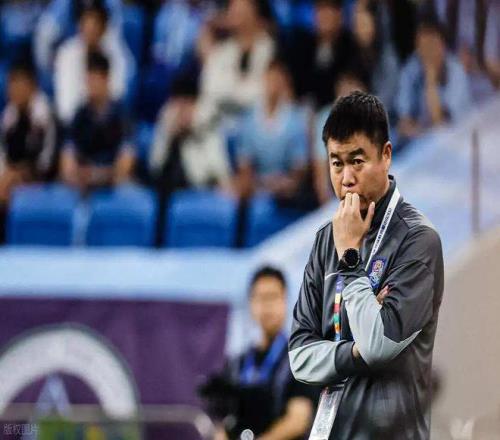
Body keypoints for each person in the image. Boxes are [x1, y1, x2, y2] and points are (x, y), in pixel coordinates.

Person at [288, 92, 444, 439]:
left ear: (386, 155)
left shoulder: (418, 241)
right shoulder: (325, 239)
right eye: (336, 163)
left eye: (357, 161)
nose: (346, 178)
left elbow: (378, 344)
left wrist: (350, 259)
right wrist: (354, 352)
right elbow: (299, 356)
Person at [201, 266, 319, 440]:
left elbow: (298, 420)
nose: (267, 305)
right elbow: (223, 420)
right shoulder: (237, 364)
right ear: (251, 303)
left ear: (285, 301)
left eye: (273, 297)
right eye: (260, 298)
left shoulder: (299, 359)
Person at [60, 51, 134, 193]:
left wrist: (98, 175)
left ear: (106, 79)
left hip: (113, 185)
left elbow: (126, 164)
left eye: (95, 79)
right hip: (83, 185)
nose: (90, 85)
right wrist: (76, 175)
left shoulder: (122, 115)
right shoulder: (80, 115)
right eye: (88, 80)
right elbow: (67, 160)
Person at [235, 59, 308, 203]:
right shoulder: (249, 119)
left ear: (284, 83)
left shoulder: (296, 121)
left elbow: (300, 167)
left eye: (277, 80)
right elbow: (245, 163)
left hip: (285, 194)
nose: (273, 85)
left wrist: (286, 183)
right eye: (270, 79)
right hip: (256, 190)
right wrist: (252, 184)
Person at [53, 2, 134, 124]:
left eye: (95, 25)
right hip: (75, 123)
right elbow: (65, 105)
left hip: (108, 121)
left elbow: (118, 95)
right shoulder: (66, 54)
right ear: (79, 26)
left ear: (104, 28)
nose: (90, 31)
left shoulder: (118, 54)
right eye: (86, 25)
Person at [396, 17, 471, 141]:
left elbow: (441, 123)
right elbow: (404, 119)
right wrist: (409, 126)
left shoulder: (456, 70)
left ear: (442, 45)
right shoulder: (411, 68)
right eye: (421, 45)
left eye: (431, 44)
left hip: (458, 136)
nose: (426, 51)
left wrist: (430, 79)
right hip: (421, 137)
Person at [0, 61, 56, 205]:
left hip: (43, 179)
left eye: (19, 85)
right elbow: (4, 156)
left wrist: (22, 174)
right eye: (11, 85)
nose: (14, 91)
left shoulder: (45, 116)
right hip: (13, 178)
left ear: (32, 87)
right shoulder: (8, 116)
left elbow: (47, 162)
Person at [285, 0, 355, 108]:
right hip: (305, 109)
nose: (324, 17)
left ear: (339, 15)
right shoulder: (303, 46)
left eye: (329, 11)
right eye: (320, 11)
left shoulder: (351, 47)